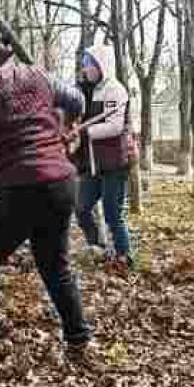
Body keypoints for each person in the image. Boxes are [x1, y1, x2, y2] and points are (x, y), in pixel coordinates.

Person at [0, 29, 93, 373]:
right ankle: (79, 342)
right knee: (55, 266)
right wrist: (64, 128)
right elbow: (77, 101)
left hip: (19, 189)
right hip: (60, 183)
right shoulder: (37, 75)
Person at [72, 42, 137, 268]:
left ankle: (124, 255)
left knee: (113, 214)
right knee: (81, 208)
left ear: (101, 65)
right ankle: (98, 247)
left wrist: (85, 132)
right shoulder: (88, 90)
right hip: (92, 163)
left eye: (88, 64)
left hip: (114, 163)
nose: (85, 69)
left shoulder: (115, 90)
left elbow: (115, 126)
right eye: (84, 64)